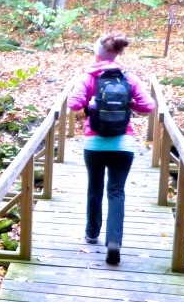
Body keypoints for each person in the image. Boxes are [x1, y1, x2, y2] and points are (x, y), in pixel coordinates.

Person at [67, 33, 156, 266]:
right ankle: (114, 241)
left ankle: (92, 233)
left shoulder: (88, 77)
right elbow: (149, 106)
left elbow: (73, 103)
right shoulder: (129, 78)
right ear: (117, 54)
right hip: (123, 144)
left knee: (94, 188)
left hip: (94, 143)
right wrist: (128, 104)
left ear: (97, 53)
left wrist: (91, 103)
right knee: (116, 192)